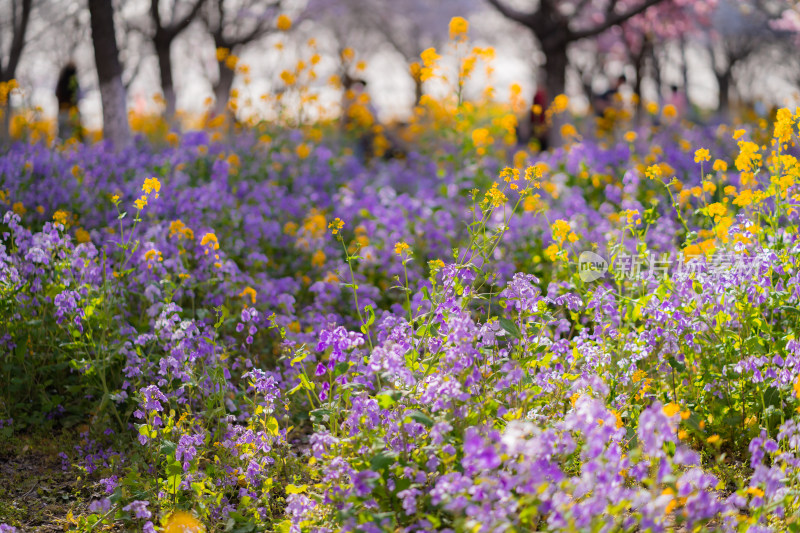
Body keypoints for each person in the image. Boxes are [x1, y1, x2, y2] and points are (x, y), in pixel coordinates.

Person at [55, 62, 83, 142]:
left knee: (62, 138)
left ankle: (61, 153)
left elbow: (56, 94)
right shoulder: (75, 82)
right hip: (73, 113)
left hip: (62, 112)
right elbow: (79, 97)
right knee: (76, 138)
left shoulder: (61, 82)